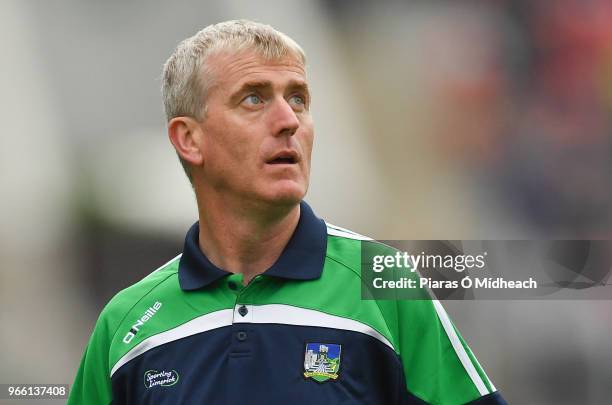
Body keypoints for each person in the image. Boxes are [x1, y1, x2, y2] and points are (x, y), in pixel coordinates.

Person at [68, 20, 507, 404]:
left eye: (297, 98)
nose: (288, 120)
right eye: (254, 99)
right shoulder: (126, 324)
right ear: (189, 139)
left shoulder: (384, 282)